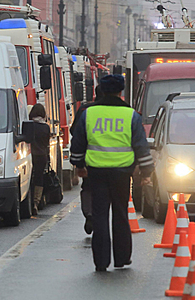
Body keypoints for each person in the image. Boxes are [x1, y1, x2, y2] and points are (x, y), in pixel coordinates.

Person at [70, 74, 154, 272]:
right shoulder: (131, 115)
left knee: (99, 216)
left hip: (96, 173)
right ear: (120, 91)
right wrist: (147, 171)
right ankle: (122, 258)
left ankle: (101, 261)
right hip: (122, 173)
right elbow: (141, 146)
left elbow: (78, 142)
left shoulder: (89, 114)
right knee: (121, 214)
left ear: (102, 90)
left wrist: (79, 165)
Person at [70, 85, 104, 235]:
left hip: (90, 159)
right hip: (116, 162)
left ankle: (89, 214)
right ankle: (102, 219)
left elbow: (74, 131)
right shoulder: (120, 111)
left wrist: (78, 162)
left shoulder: (85, 110)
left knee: (88, 189)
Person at [29, 104, 51, 215]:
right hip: (41, 156)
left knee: (29, 178)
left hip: (30, 155)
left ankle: (28, 201)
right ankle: (36, 202)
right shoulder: (46, 127)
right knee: (39, 178)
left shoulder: (29, 126)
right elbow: (47, 144)